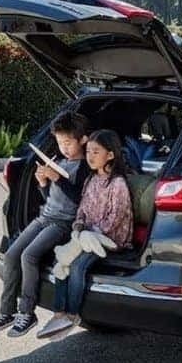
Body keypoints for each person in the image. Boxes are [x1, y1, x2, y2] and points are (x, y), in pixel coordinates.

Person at [0, 111, 91, 337]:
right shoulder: (60, 162)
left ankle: (27, 312)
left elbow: (78, 199)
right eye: (59, 142)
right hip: (44, 217)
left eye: (68, 143)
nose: (63, 148)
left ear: (82, 140)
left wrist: (57, 179)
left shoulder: (84, 168)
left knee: (29, 256)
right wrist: (43, 183)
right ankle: (7, 312)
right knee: (12, 254)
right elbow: (50, 198)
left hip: (64, 223)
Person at [38, 129, 134, 338]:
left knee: (77, 266)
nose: (90, 156)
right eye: (88, 151)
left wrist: (89, 233)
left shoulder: (117, 184)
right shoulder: (91, 180)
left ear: (110, 155)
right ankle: (59, 312)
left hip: (108, 239)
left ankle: (72, 314)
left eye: (96, 152)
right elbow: (81, 209)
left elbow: (115, 219)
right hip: (86, 235)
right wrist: (80, 227)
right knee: (61, 263)